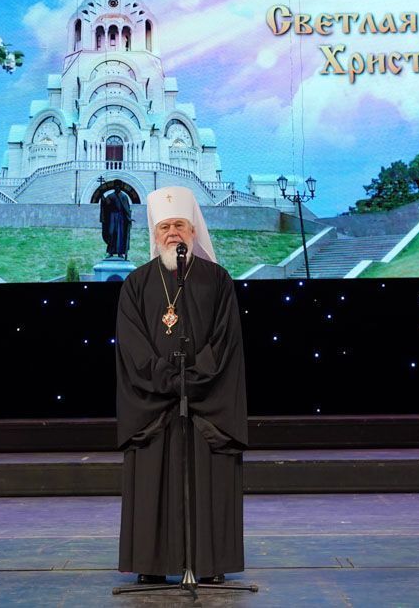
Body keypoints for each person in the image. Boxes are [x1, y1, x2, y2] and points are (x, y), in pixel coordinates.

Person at [115, 185, 247, 583]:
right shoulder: (136, 284)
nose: (172, 232)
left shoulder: (217, 280)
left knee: (207, 480)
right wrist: (168, 379)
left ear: (193, 230)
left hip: (205, 400)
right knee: (153, 480)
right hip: (155, 402)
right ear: (155, 234)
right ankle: (152, 566)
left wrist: (193, 379)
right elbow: (132, 344)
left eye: (179, 225)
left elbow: (225, 340)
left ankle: (208, 564)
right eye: (165, 226)